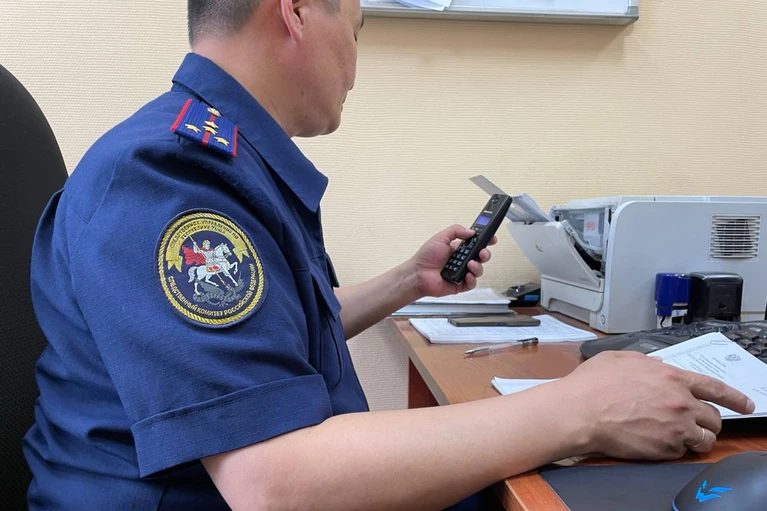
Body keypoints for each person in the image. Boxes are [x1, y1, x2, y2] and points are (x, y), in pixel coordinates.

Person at [22, 0, 755, 509]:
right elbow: (273, 481)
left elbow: (267, 344)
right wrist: (581, 409)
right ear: (296, 11)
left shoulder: (223, 160)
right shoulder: (171, 179)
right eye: (358, 30)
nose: (355, 64)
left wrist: (408, 280)